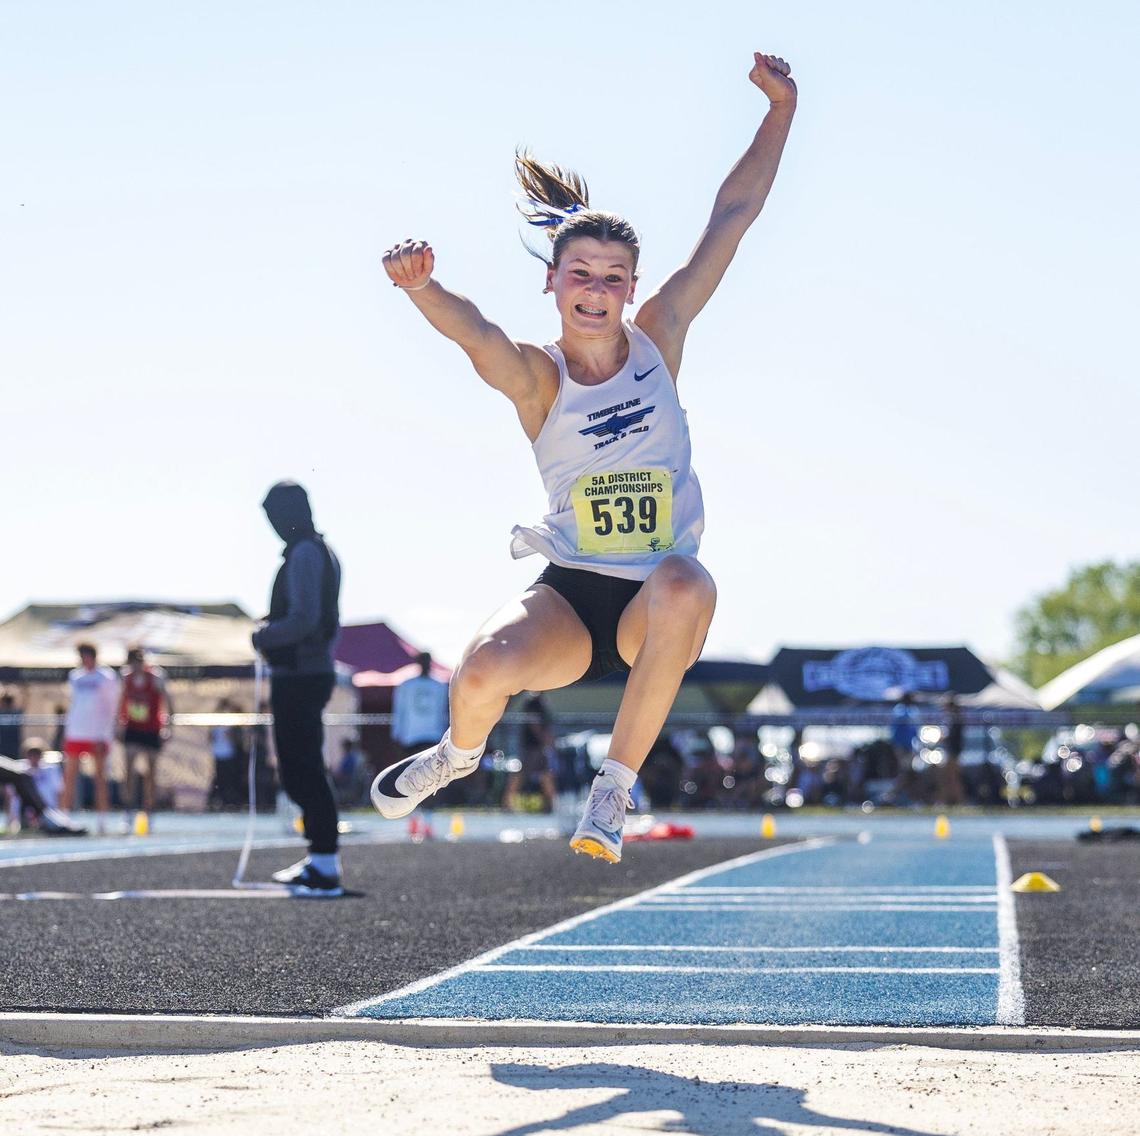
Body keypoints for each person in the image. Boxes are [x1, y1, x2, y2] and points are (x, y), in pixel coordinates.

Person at [371, 51, 797, 864]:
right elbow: (476, 336)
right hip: (571, 593)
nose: (596, 288)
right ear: (554, 284)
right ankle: (456, 755)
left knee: (687, 580)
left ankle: (613, 789)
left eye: (612, 276)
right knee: (481, 672)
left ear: (632, 287)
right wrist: (422, 288)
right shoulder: (540, 377)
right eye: (580, 274)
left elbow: (733, 214)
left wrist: (780, 110)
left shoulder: (660, 338)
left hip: (654, 606)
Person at [252, 480, 344, 897]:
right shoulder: (312, 550)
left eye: (275, 516)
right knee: (299, 767)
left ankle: (325, 862)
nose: (273, 526)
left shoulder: (307, 552)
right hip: (303, 672)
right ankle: (319, 856)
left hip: (302, 674)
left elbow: (306, 619)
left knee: (302, 767)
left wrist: (265, 635)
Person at [61, 643, 121, 821]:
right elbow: (73, 704)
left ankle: (102, 817)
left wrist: (105, 733)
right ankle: (63, 816)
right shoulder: (75, 676)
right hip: (76, 732)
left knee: (100, 777)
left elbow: (112, 707)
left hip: (97, 734)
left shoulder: (106, 676)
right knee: (69, 775)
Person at [118, 644, 174, 818]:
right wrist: (118, 725)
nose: (135, 666)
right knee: (129, 771)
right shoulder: (126, 678)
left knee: (151, 772)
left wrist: (168, 728)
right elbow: (121, 703)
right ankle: (128, 809)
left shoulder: (156, 677)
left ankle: (149, 810)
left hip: (151, 729)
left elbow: (169, 703)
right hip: (133, 728)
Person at [3, 739, 86, 835]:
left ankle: (47, 819)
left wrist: (61, 814)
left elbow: (59, 792)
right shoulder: (18, 769)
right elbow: (9, 797)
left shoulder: (51, 769)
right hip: (26, 815)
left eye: (37, 754)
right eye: (31, 754)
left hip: (49, 811)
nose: (34, 757)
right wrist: (10, 821)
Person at [390, 651, 450, 760]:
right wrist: (396, 734)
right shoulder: (406, 685)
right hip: (410, 738)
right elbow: (399, 710)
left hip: (433, 737)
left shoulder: (439, 685)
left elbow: (444, 711)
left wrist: (444, 735)